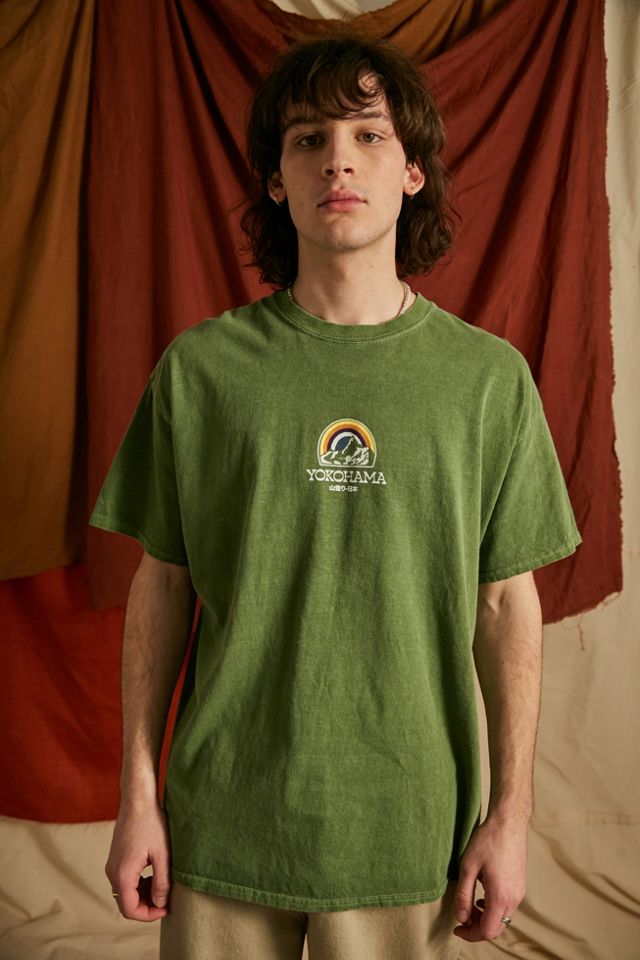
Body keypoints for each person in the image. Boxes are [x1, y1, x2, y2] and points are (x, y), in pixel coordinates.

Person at [90, 34, 582, 960]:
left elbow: (506, 605)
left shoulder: (488, 382)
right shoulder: (202, 370)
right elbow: (162, 585)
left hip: (409, 834)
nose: (338, 161)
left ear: (413, 172)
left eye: (368, 135)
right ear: (277, 180)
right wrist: (139, 799)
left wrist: (510, 818)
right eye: (308, 139)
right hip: (222, 822)